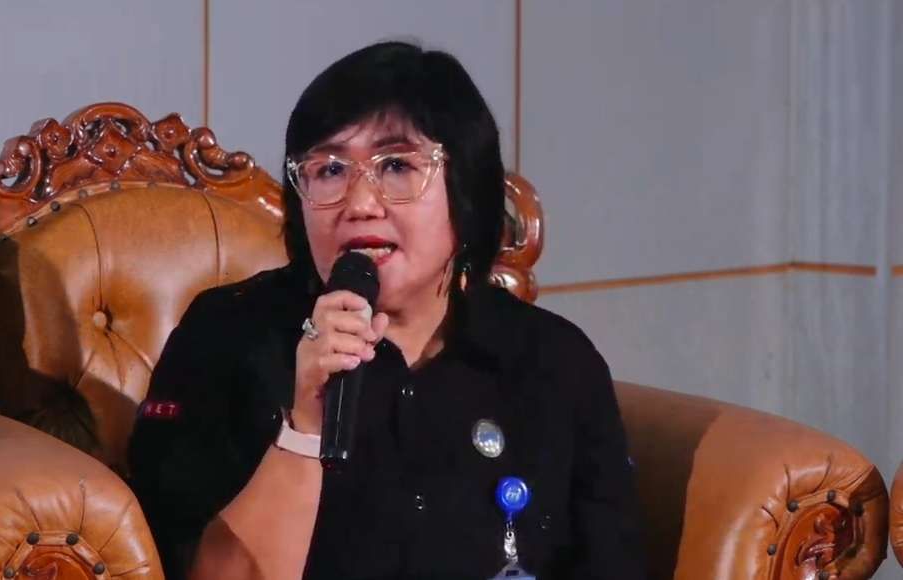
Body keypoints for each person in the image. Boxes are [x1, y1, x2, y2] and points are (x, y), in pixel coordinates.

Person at [128, 41, 645, 580]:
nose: (359, 204)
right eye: (330, 169)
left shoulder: (553, 362)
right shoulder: (226, 337)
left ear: (466, 188)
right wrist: (304, 429)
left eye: (397, 165)